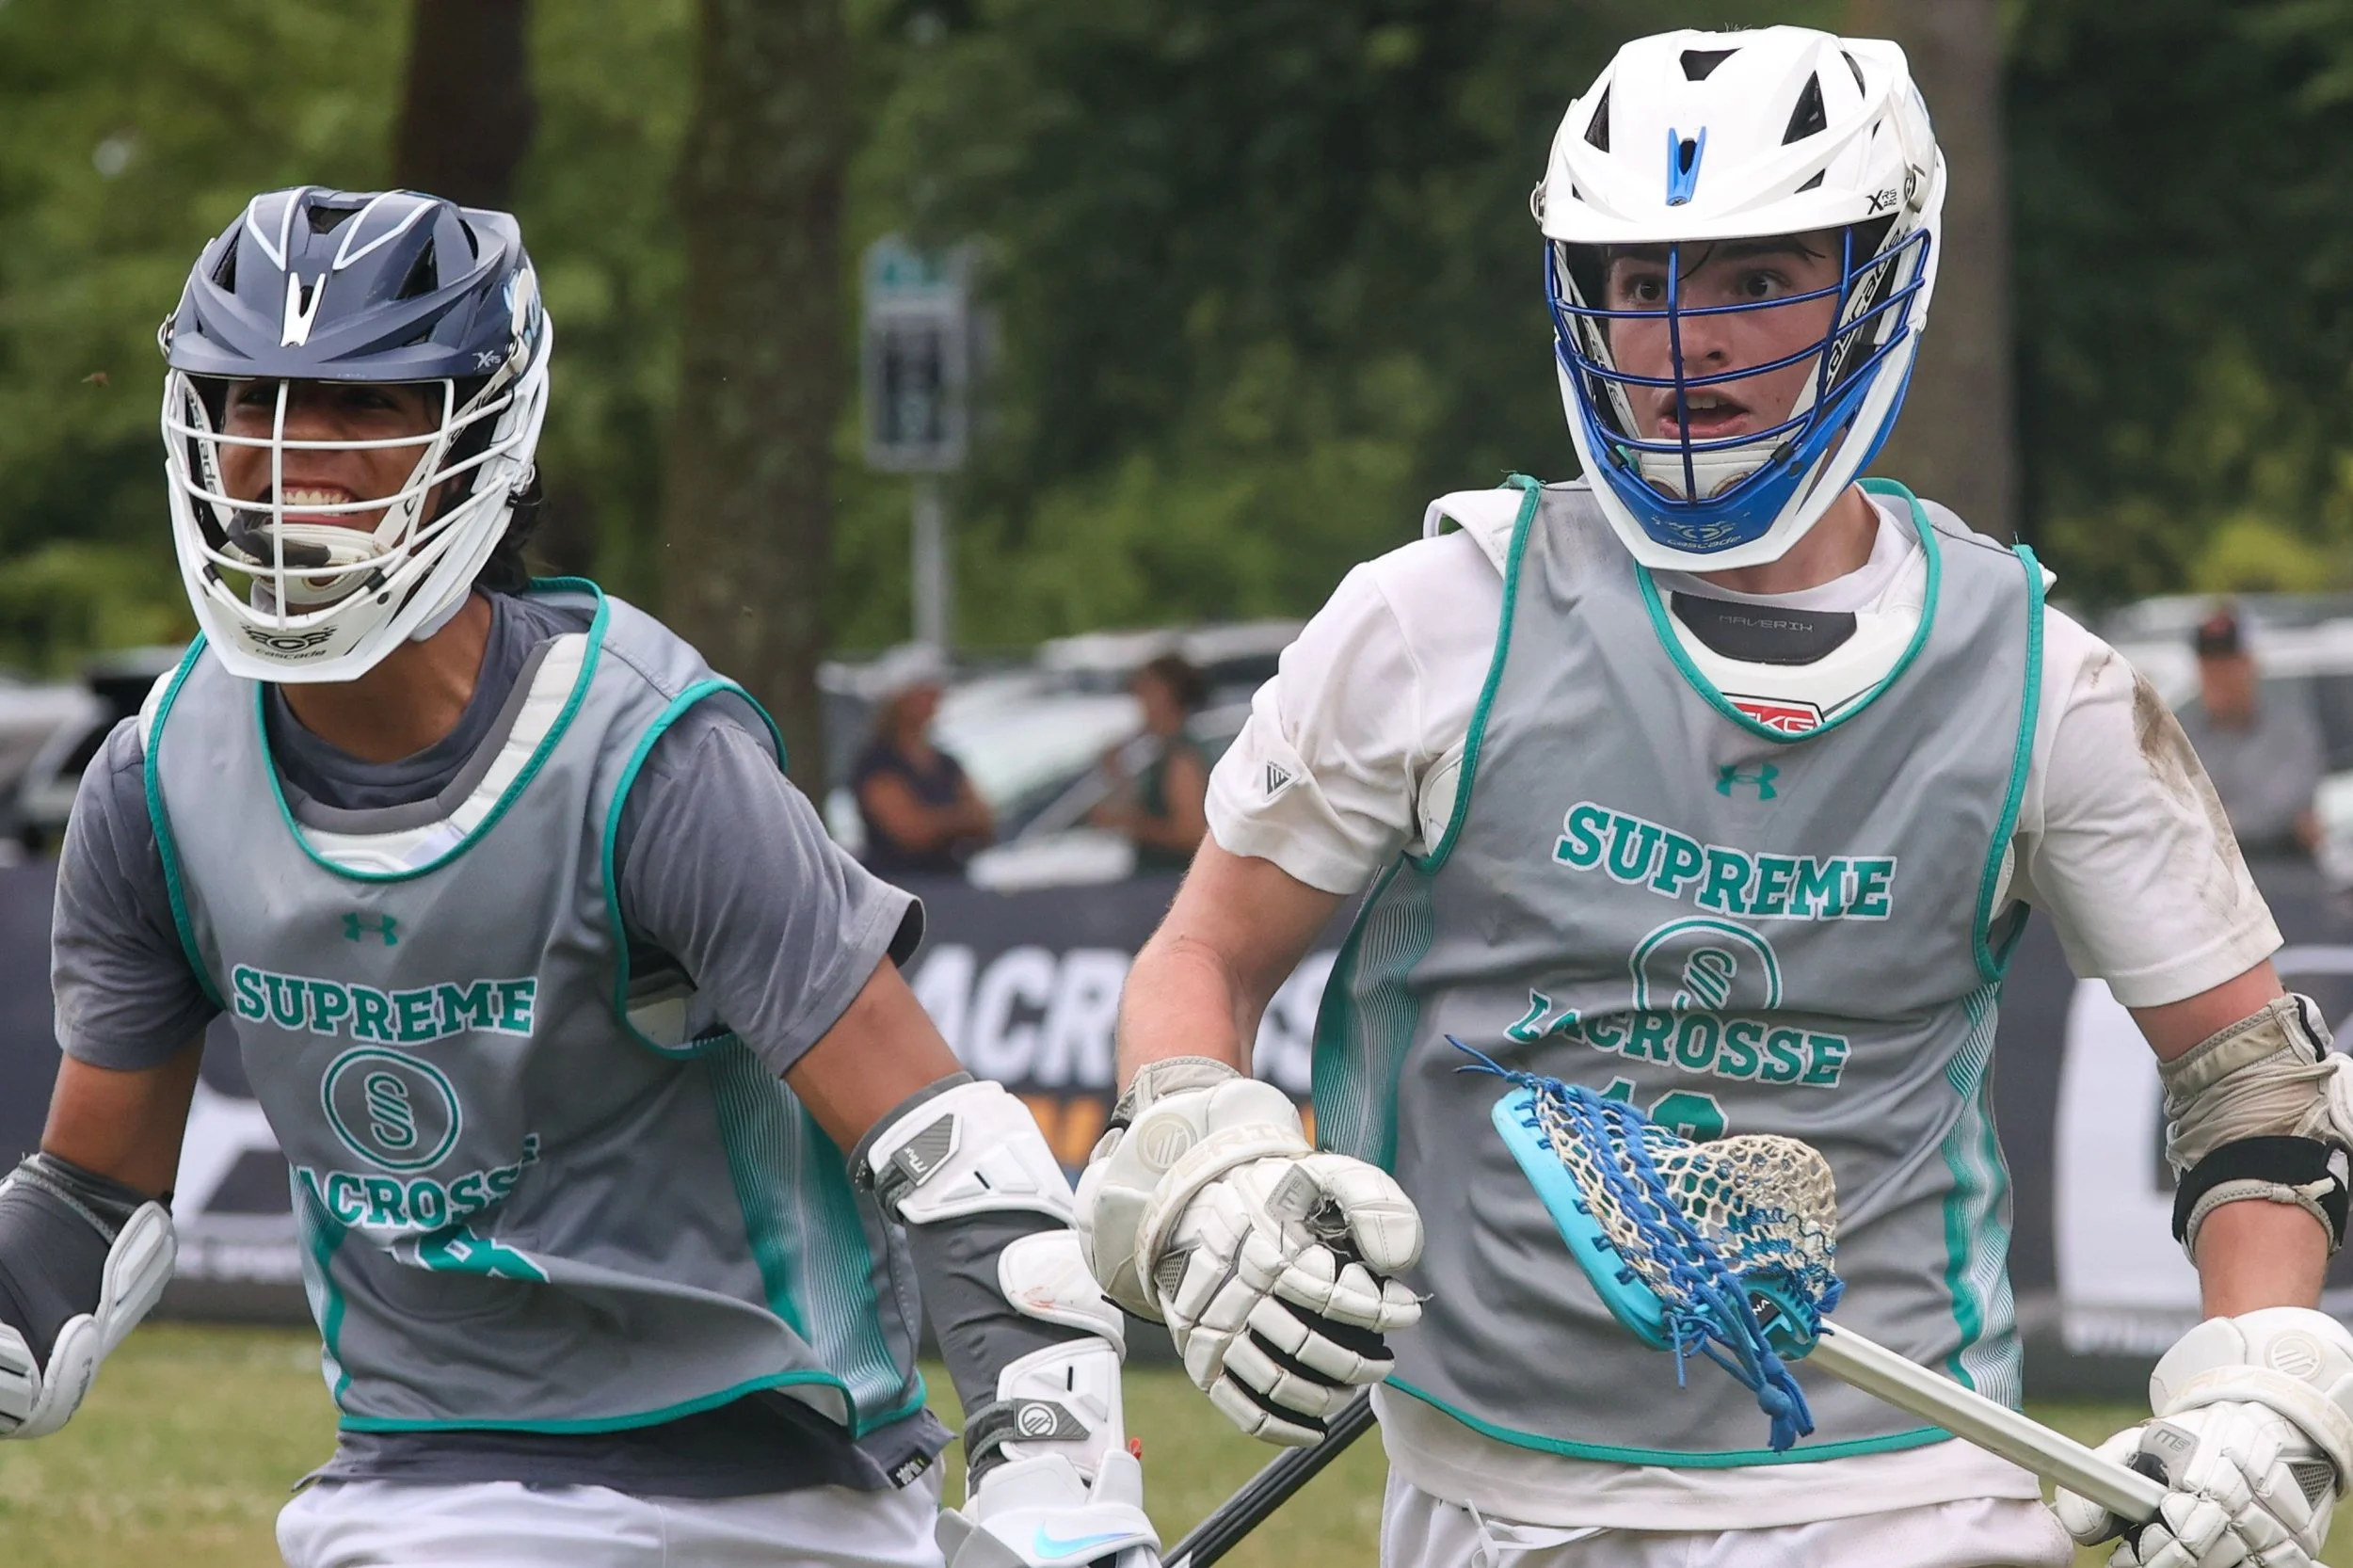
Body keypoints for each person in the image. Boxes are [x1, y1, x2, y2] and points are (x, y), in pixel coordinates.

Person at [1074, 27, 2353, 1568]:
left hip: (1901, 1498)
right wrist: (1211, 1167)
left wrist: (2266, 1379)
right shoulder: (1430, 623)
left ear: (1884, 280)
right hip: (1491, 1501)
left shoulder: (2044, 687)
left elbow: (2257, 1096)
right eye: (1640, 282)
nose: (1683, 340)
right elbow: (1200, 961)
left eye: (1755, 280)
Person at [0, 186, 1158, 1568]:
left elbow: (946, 1149)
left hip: (782, 1492)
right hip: (427, 1486)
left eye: (362, 409)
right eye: (253, 402)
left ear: (483, 433)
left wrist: (1059, 1457)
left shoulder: (646, 757)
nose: (288, 458)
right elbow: (87, 1198)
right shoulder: (156, 782)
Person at [2177, 606, 2326, 859]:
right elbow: (2172, 805)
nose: (2218, 676)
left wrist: (2213, 821)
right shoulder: (2182, 732)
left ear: (2249, 663)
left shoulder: (2288, 731)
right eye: (2209, 665)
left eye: (2228, 664)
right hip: (2210, 880)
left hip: (2284, 873)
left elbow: (2283, 808)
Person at [854, 656, 994, 877]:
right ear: (900, 700)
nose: (934, 698)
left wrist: (938, 821)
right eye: (923, 691)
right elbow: (911, 832)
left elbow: (984, 819)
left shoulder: (946, 763)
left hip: (951, 883)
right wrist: (959, 819)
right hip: (898, 885)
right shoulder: (878, 764)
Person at [1091, 654, 1209, 872]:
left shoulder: (1181, 756)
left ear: (1166, 693)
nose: (1138, 697)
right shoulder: (1159, 751)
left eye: (1145, 688)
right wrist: (1118, 774)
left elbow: (1192, 833)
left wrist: (1128, 822)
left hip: (1169, 880)